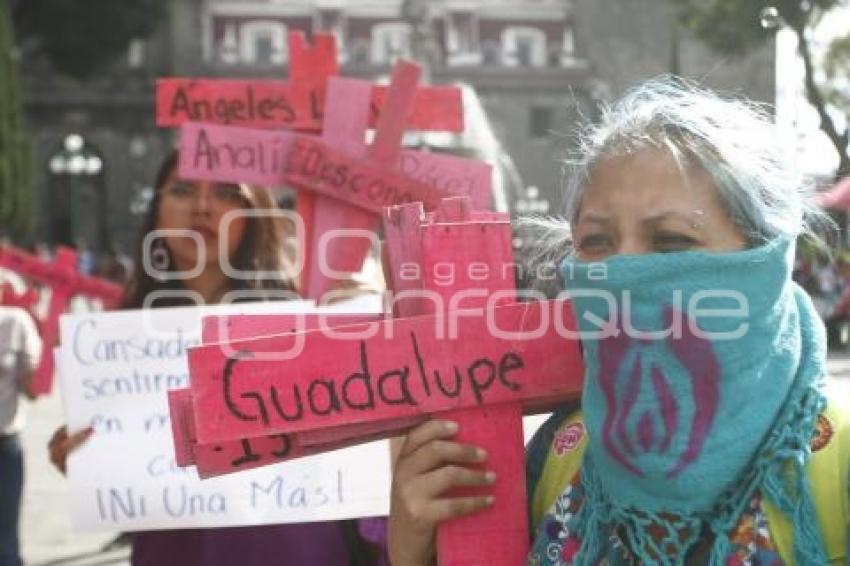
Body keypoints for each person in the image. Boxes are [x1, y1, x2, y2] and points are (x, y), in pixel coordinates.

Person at [387, 78, 850, 565]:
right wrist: (414, 548)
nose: (620, 274)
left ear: (763, 259)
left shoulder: (833, 470)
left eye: (671, 241)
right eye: (596, 243)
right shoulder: (559, 456)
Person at [48, 150, 387, 566]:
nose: (202, 207)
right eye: (183, 189)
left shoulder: (307, 321)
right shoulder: (115, 344)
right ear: (155, 208)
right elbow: (131, 470)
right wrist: (87, 461)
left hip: (296, 550)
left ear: (254, 211)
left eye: (226, 193)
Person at [0, 302, 41, 566]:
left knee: (6, 545)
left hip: (5, 447)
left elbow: (34, 390)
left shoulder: (15, 322)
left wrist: (48, 351)